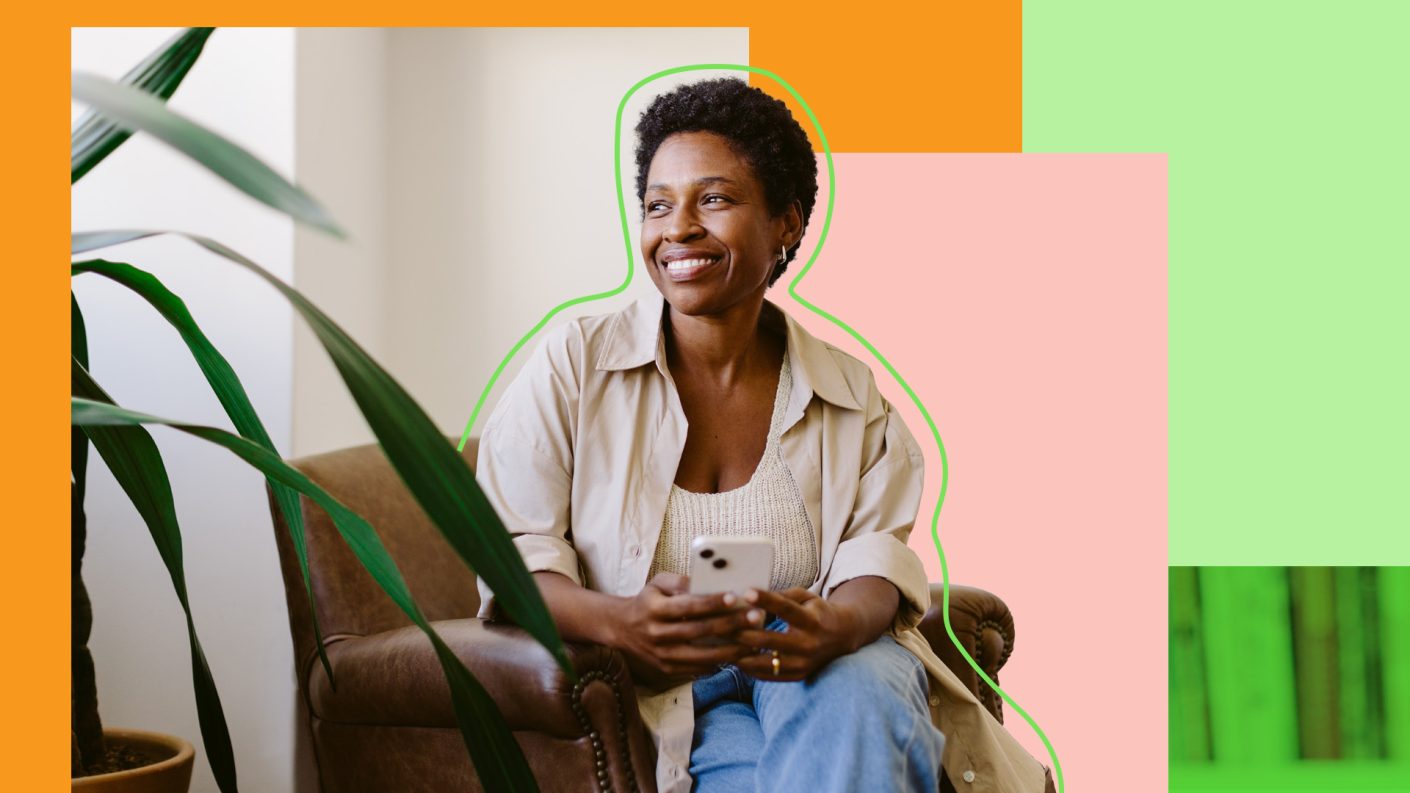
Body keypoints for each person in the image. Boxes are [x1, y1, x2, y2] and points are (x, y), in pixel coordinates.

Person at [475, 77, 1048, 793]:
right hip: (672, 696)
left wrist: (836, 625)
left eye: (712, 198)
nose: (677, 227)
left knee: (859, 692)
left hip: (823, 667)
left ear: (785, 222)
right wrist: (622, 621)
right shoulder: (574, 367)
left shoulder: (847, 392)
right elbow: (511, 557)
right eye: (658, 204)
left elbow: (877, 558)